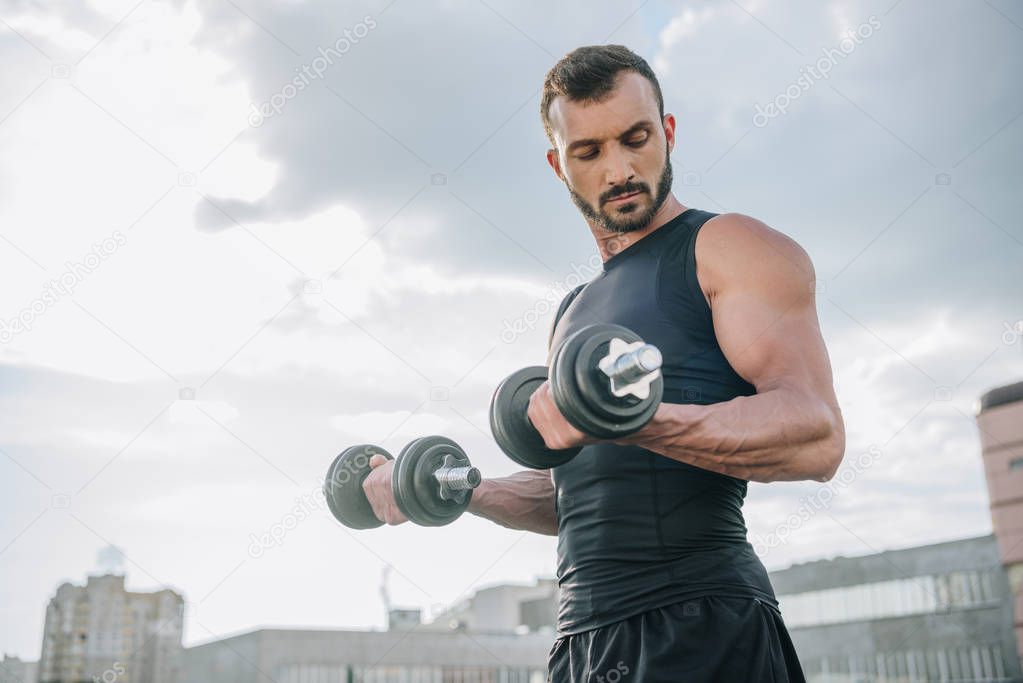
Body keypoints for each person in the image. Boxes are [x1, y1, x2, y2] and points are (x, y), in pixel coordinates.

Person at [362, 44, 845, 682]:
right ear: (558, 166)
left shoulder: (729, 246)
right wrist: (454, 487)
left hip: (703, 625)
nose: (618, 169)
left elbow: (816, 434)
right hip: (582, 644)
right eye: (588, 152)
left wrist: (632, 419)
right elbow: (579, 495)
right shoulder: (572, 312)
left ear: (668, 134)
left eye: (636, 138)